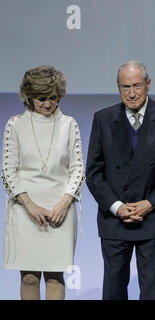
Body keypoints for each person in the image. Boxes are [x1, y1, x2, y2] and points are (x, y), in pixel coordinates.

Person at [85, 61, 155, 300]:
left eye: (136, 86)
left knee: (153, 291)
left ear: (148, 84)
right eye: (125, 87)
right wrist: (117, 207)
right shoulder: (103, 118)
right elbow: (94, 172)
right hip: (114, 220)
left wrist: (150, 203)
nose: (131, 93)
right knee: (113, 290)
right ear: (117, 87)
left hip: (152, 218)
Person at [1, 65, 84, 300]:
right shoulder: (15, 125)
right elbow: (8, 171)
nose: (48, 104)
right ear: (29, 97)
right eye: (41, 98)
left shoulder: (69, 124)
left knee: (55, 277)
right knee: (29, 277)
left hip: (61, 211)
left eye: (53, 98)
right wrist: (30, 206)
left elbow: (78, 169)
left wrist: (64, 203)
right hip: (25, 211)